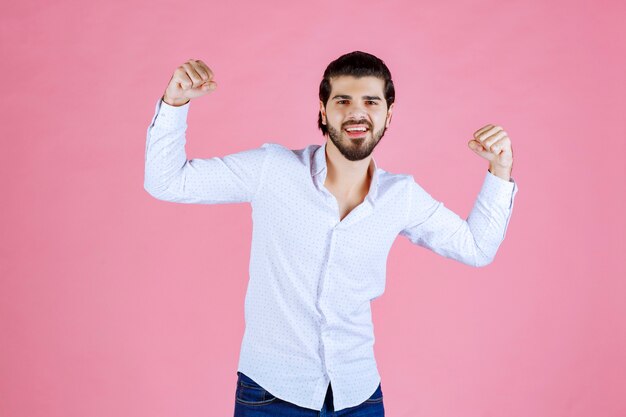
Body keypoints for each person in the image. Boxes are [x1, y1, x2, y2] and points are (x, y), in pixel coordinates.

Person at [144, 51, 519, 416]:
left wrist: (500, 170)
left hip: (359, 397)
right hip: (270, 394)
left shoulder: (400, 196)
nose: (357, 112)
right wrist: (175, 104)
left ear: (390, 115)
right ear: (323, 111)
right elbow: (167, 182)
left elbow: (475, 248)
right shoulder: (272, 169)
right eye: (343, 100)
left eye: (371, 101)